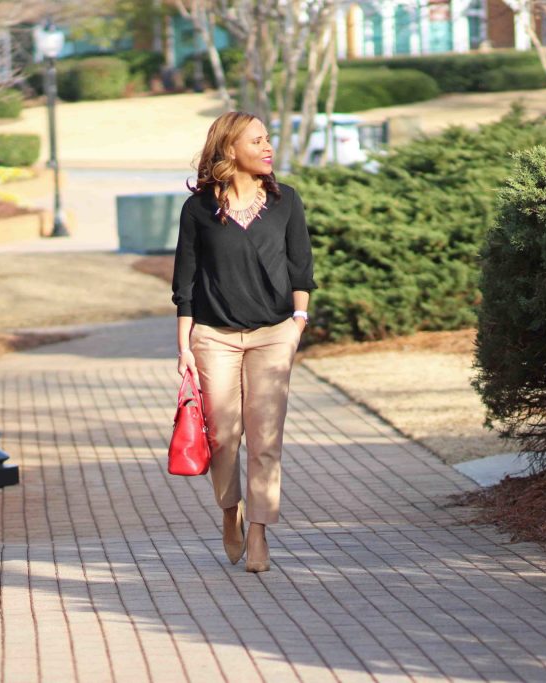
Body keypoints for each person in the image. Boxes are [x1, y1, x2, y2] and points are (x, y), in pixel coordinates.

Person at [172, 111, 316, 573]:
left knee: (265, 439)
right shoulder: (198, 210)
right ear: (230, 149)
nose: (268, 147)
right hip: (213, 337)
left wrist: (298, 321)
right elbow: (186, 281)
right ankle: (228, 511)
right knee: (224, 438)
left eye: (268, 139)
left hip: (274, 336)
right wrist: (184, 348)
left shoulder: (286, 201)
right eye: (258, 140)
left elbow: (301, 267)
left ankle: (258, 531)